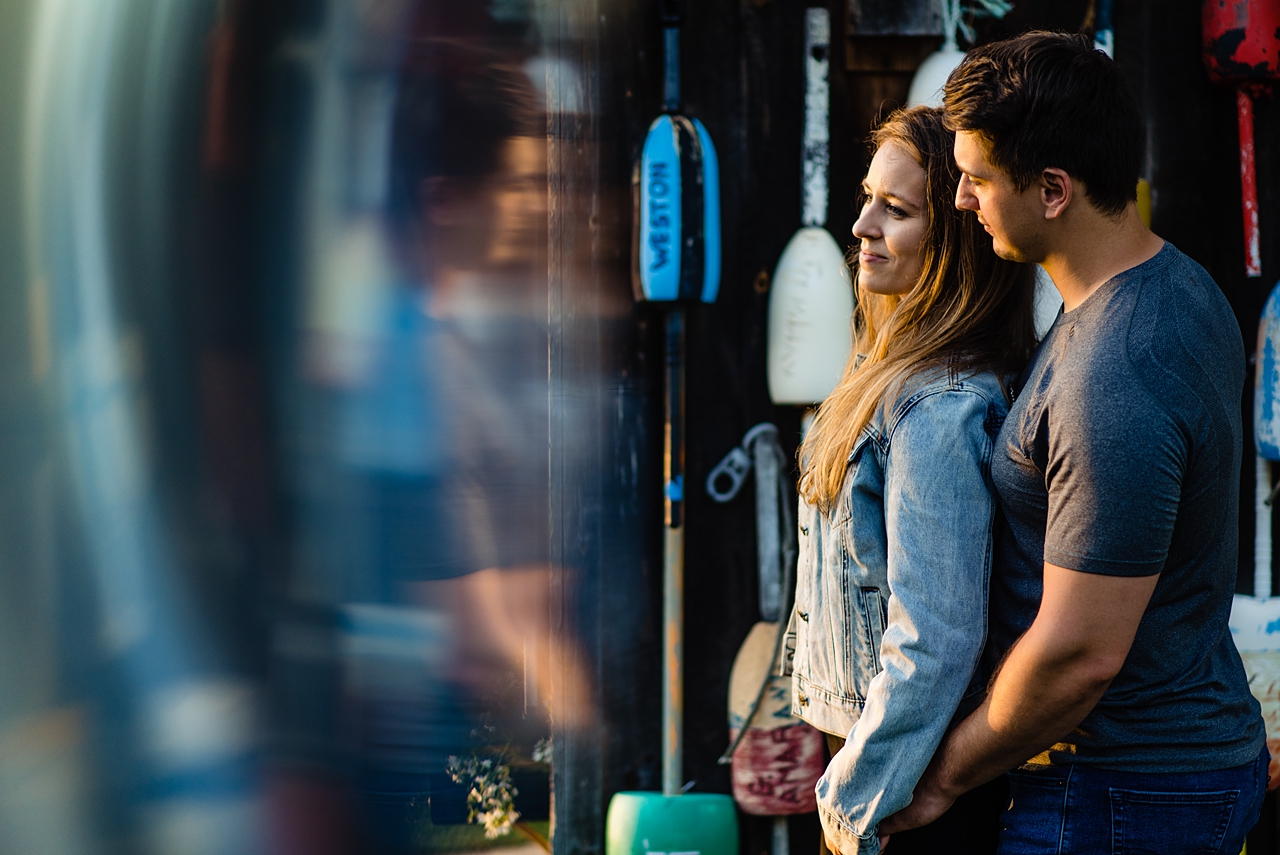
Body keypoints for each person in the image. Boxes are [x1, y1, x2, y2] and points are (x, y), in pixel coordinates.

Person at [879, 31, 1269, 854]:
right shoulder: (1175, 284)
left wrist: (942, 773)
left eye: (977, 180)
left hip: (1121, 794)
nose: (960, 201)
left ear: (1053, 189)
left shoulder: (1116, 369)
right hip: (1154, 777)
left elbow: (1079, 650)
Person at [787, 105, 1036, 855]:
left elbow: (936, 635)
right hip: (883, 759)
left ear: (955, 237)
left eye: (894, 210)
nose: (862, 225)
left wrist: (854, 798)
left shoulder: (937, 408)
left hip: (909, 789)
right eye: (868, 198)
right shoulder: (891, 374)